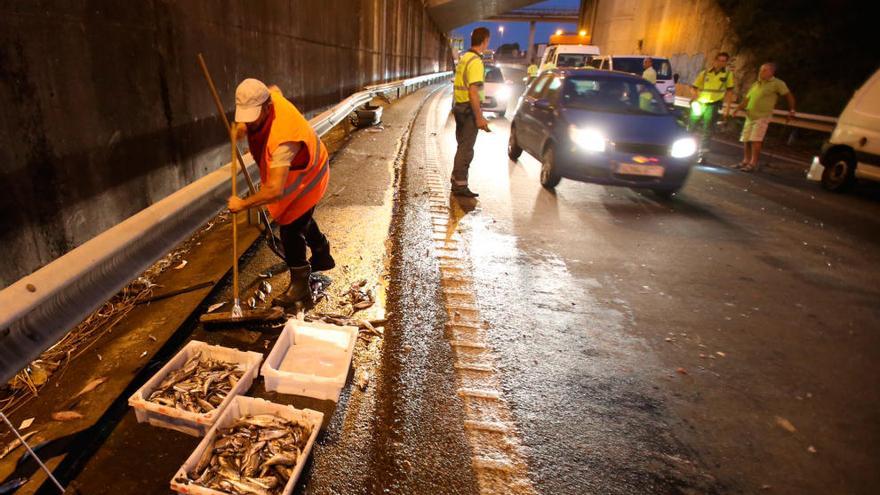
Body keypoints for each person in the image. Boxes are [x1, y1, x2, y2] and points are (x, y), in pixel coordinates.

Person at [227, 78, 335, 309]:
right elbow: (276, 89)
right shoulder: (271, 97)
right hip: (304, 173)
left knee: (290, 228)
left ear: (266, 107)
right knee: (301, 217)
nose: (250, 121)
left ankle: (300, 285)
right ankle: (322, 252)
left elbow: (274, 190)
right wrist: (244, 127)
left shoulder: (283, 141)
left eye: (253, 116)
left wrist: (242, 204)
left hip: (310, 177)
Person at [451, 27, 491, 197]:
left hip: (459, 107)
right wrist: (479, 117)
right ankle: (460, 185)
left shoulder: (464, 57)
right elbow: (473, 92)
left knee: (462, 146)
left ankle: (456, 180)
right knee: (466, 148)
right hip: (468, 109)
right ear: (485, 41)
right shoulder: (475, 61)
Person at [735, 63, 796, 171]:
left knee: (755, 139)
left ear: (771, 72)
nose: (761, 72)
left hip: (762, 116)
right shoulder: (756, 84)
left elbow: (788, 95)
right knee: (746, 139)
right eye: (760, 70)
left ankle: (753, 163)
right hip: (750, 115)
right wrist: (738, 108)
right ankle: (745, 160)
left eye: (764, 70)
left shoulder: (777, 83)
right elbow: (747, 99)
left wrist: (791, 110)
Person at [690, 52, 736, 163]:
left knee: (707, 130)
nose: (721, 63)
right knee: (691, 128)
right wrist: (695, 98)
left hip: (713, 105)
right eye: (719, 60)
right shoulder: (705, 73)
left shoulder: (728, 75)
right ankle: (685, 151)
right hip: (700, 104)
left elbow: (729, 93)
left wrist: (727, 109)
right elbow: (693, 87)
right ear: (714, 60)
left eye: (724, 61)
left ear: (726, 63)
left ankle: (702, 156)